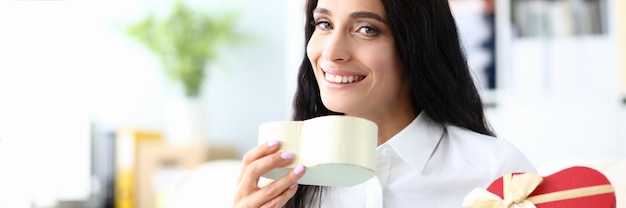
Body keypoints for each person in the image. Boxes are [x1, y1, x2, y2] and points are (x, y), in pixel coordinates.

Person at [234, 0, 535, 207]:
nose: (332, 52)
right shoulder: (282, 178)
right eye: (324, 23)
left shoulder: (496, 171)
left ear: (417, 45)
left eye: (367, 29)